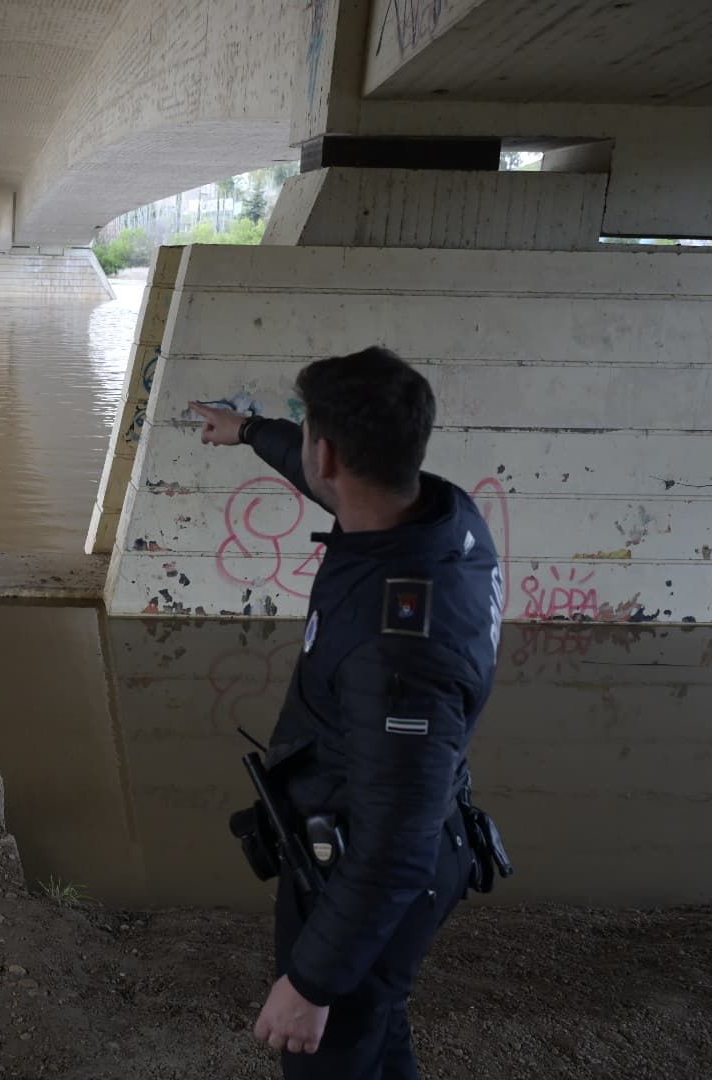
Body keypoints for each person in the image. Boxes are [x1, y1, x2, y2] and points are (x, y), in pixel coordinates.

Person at [193, 346, 506, 1080]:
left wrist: (310, 984)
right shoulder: (438, 514)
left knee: (330, 1055)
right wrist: (249, 432)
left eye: (306, 436)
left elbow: (396, 842)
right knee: (373, 1028)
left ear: (326, 452)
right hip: (389, 832)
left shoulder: (396, 650)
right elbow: (331, 487)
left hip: (366, 865)